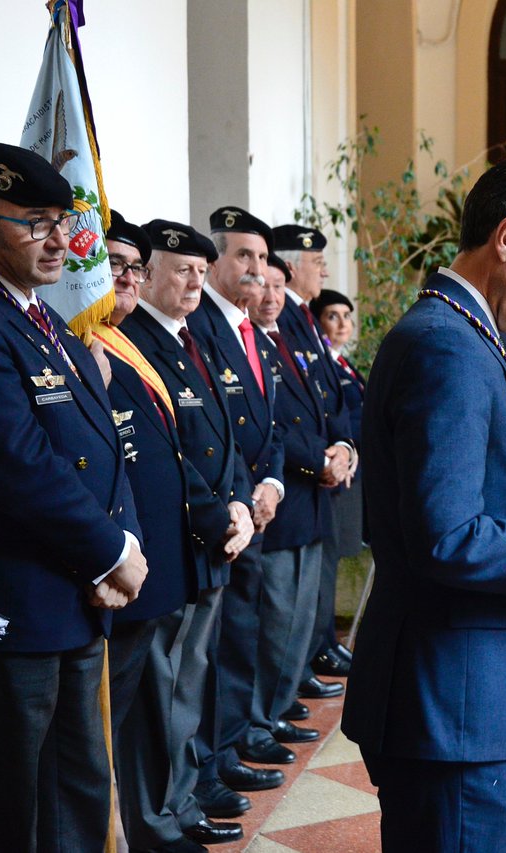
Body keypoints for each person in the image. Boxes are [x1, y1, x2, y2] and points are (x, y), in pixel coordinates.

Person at [342, 150, 506, 852]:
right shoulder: (449, 348)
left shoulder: (460, 334)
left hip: (458, 696)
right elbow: (450, 535)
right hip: (452, 703)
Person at [0, 142, 148, 851]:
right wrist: (107, 551)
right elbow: (17, 463)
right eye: (34, 222)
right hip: (12, 612)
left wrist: (120, 546)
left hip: (73, 600)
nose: (59, 239)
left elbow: (100, 441)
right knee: (12, 808)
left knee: (76, 796)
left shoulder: (45, 321)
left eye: (61, 221)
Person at [116, 217, 256, 847]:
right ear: (146, 276)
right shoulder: (134, 340)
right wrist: (218, 511)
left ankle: (181, 798)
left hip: (209, 541)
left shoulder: (186, 337)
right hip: (178, 541)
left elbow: (223, 442)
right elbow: (165, 453)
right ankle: (157, 817)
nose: (195, 282)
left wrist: (241, 504)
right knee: (160, 695)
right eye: (183, 270)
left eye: (203, 271)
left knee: (188, 684)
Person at [188, 206, 287, 803]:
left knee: (242, 634)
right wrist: (238, 497)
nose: (255, 267)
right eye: (242, 255)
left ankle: (229, 745)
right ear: (215, 262)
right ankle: (211, 761)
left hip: (255, 507)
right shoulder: (199, 324)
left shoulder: (250, 328)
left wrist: (271, 485)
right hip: (223, 512)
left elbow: (268, 423)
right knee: (214, 650)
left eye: (260, 257)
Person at [240, 254, 351, 767]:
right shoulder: (253, 344)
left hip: (310, 496)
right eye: (263, 284)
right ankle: (259, 720)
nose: (273, 295)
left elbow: (329, 406)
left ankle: (275, 710)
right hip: (284, 497)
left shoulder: (284, 338)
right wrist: (321, 459)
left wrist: (345, 447)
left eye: (280, 285)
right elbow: (276, 427)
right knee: (276, 619)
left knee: (298, 617)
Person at [271, 224, 355, 689]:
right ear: (289, 266)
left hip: (322, 475)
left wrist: (343, 447)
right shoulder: (281, 317)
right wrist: (319, 460)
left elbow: (331, 395)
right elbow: (282, 407)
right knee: (289, 600)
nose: (323, 268)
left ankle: (298, 674)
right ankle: (286, 686)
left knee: (312, 591)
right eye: (314, 261)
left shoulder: (302, 316)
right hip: (299, 478)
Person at [309, 289, 367, 635]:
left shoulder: (343, 362)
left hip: (353, 469)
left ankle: (327, 640)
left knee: (336, 557)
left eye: (347, 315)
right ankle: (322, 643)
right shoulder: (321, 364)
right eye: (333, 315)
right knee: (326, 561)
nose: (343, 323)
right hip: (334, 471)